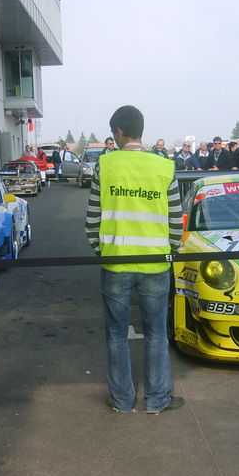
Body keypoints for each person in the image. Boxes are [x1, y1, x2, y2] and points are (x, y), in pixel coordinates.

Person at [85, 105, 184, 414]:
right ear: (141, 131)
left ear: (119, 133)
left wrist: (102, 250)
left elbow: (92, 221)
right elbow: (176, 222)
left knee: (116, 336)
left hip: (115, 263)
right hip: (156, 264)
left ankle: (122, 401)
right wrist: (171, 252)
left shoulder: (105, 165)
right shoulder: (164, 167)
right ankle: (157, 400)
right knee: (156, 335)